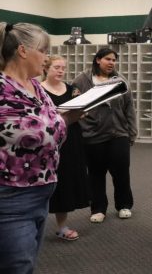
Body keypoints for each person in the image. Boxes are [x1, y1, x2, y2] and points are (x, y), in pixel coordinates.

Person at [0, 22, 68, 273]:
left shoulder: (36, 86)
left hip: (42, 194)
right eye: (44, 50)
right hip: (11, 198)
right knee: (16, 267)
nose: (47, 57)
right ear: (23, 51)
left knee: (26, 265)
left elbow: (47, 126)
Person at [72, 48, 137, 223]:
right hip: (92, 136)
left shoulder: (120, 81)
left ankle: (124, 205)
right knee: (95, 174)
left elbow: (129, 107)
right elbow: (75, 106)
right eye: (108, 59)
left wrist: (132, 132)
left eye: (114, 60)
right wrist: (83, 128)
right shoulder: (82, 80)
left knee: (121, 173)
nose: (111, 63)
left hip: (119, 133)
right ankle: (98, 208)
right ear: (98, 60)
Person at [41, 55, 89, 241]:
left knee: (66, 180)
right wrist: (61, 113)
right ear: (46, 68)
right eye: (57, 67)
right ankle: (34, 223)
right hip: (49, 141)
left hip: (72, 138)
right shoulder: (39, 90)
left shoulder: (72, 89)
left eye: (63, 67)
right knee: (47, 181)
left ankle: (62, 226)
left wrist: (79, 112)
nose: (61, 71)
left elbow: (82, 112)